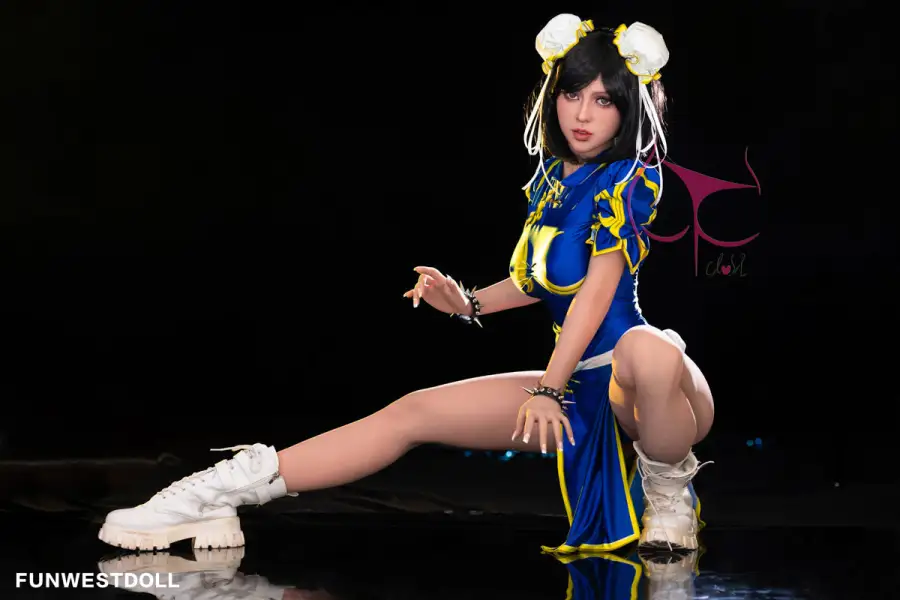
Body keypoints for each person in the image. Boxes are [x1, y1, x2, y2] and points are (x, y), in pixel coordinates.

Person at [98, 14, 714, 555]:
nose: (581, 114)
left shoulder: (630, 180)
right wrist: (467, 302)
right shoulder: (556, 178)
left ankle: (667, 488)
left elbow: (596, 294)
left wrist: (549, 389)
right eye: (572, 94)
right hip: (578, 385)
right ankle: (218, 496)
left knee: (646, 348)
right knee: (411, 411)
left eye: (603, 100)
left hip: (650, 391)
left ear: (628, 109)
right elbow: (542, 283)